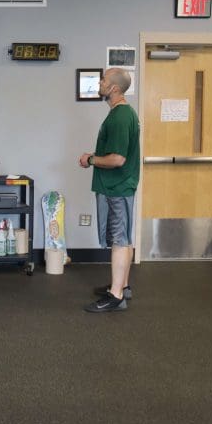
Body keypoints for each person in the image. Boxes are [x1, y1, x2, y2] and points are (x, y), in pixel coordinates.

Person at [78, 68, 140, 313]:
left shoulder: (121, 117)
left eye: (103, 80)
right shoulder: (119, 114)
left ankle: (116, 297)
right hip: (115, 187)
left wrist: (91, 160)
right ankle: (122, 286)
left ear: (114, 88)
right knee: (122, 237)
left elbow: (117, 159)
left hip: (118, 187)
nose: (100, 83)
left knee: (120, 239)